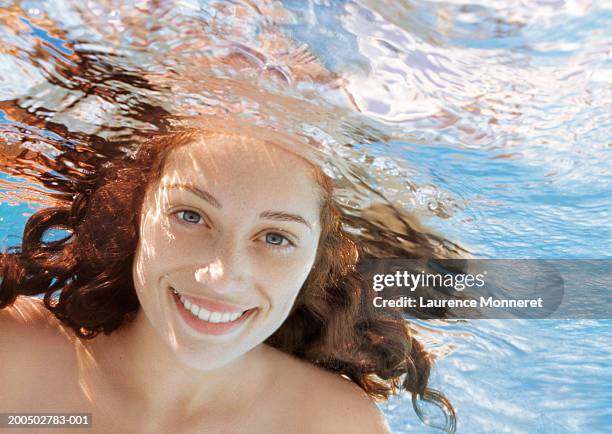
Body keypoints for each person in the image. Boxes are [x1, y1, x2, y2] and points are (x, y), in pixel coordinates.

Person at [0, 128, 455, 433]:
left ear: (317, 260)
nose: (221, 277)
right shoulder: (12, 352)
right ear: (136, 216)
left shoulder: (327, 424)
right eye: (190, 215)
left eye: (276, 237)